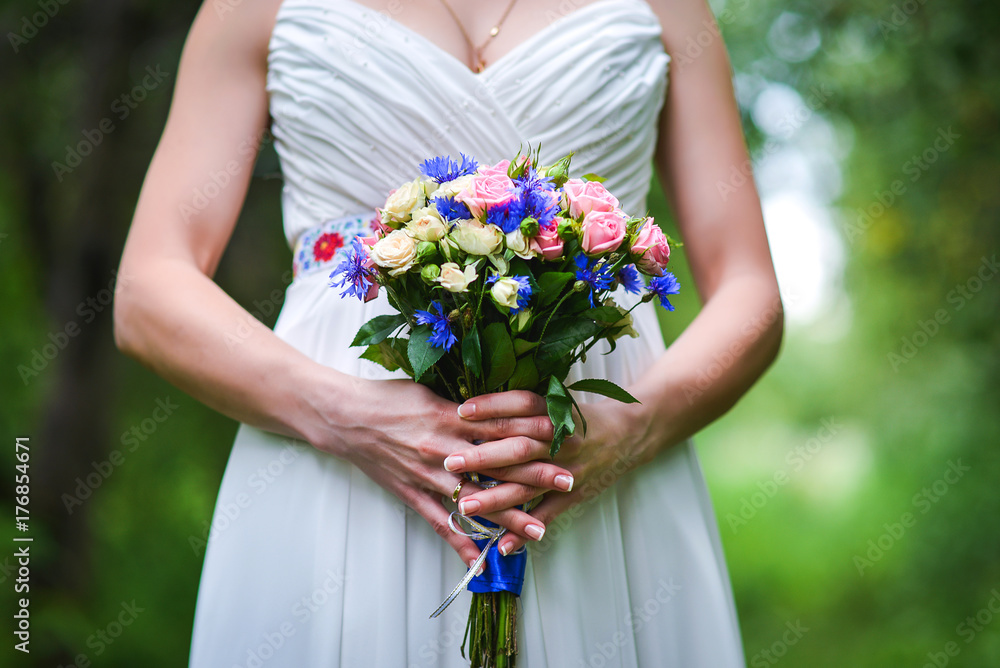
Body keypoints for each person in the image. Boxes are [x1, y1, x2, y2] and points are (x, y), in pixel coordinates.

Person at [114, 0, 782, 665]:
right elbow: (148, 290)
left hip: (598, 475)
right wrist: (344, 414)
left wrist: (629, 429)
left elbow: (751, 292)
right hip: (334, 468)